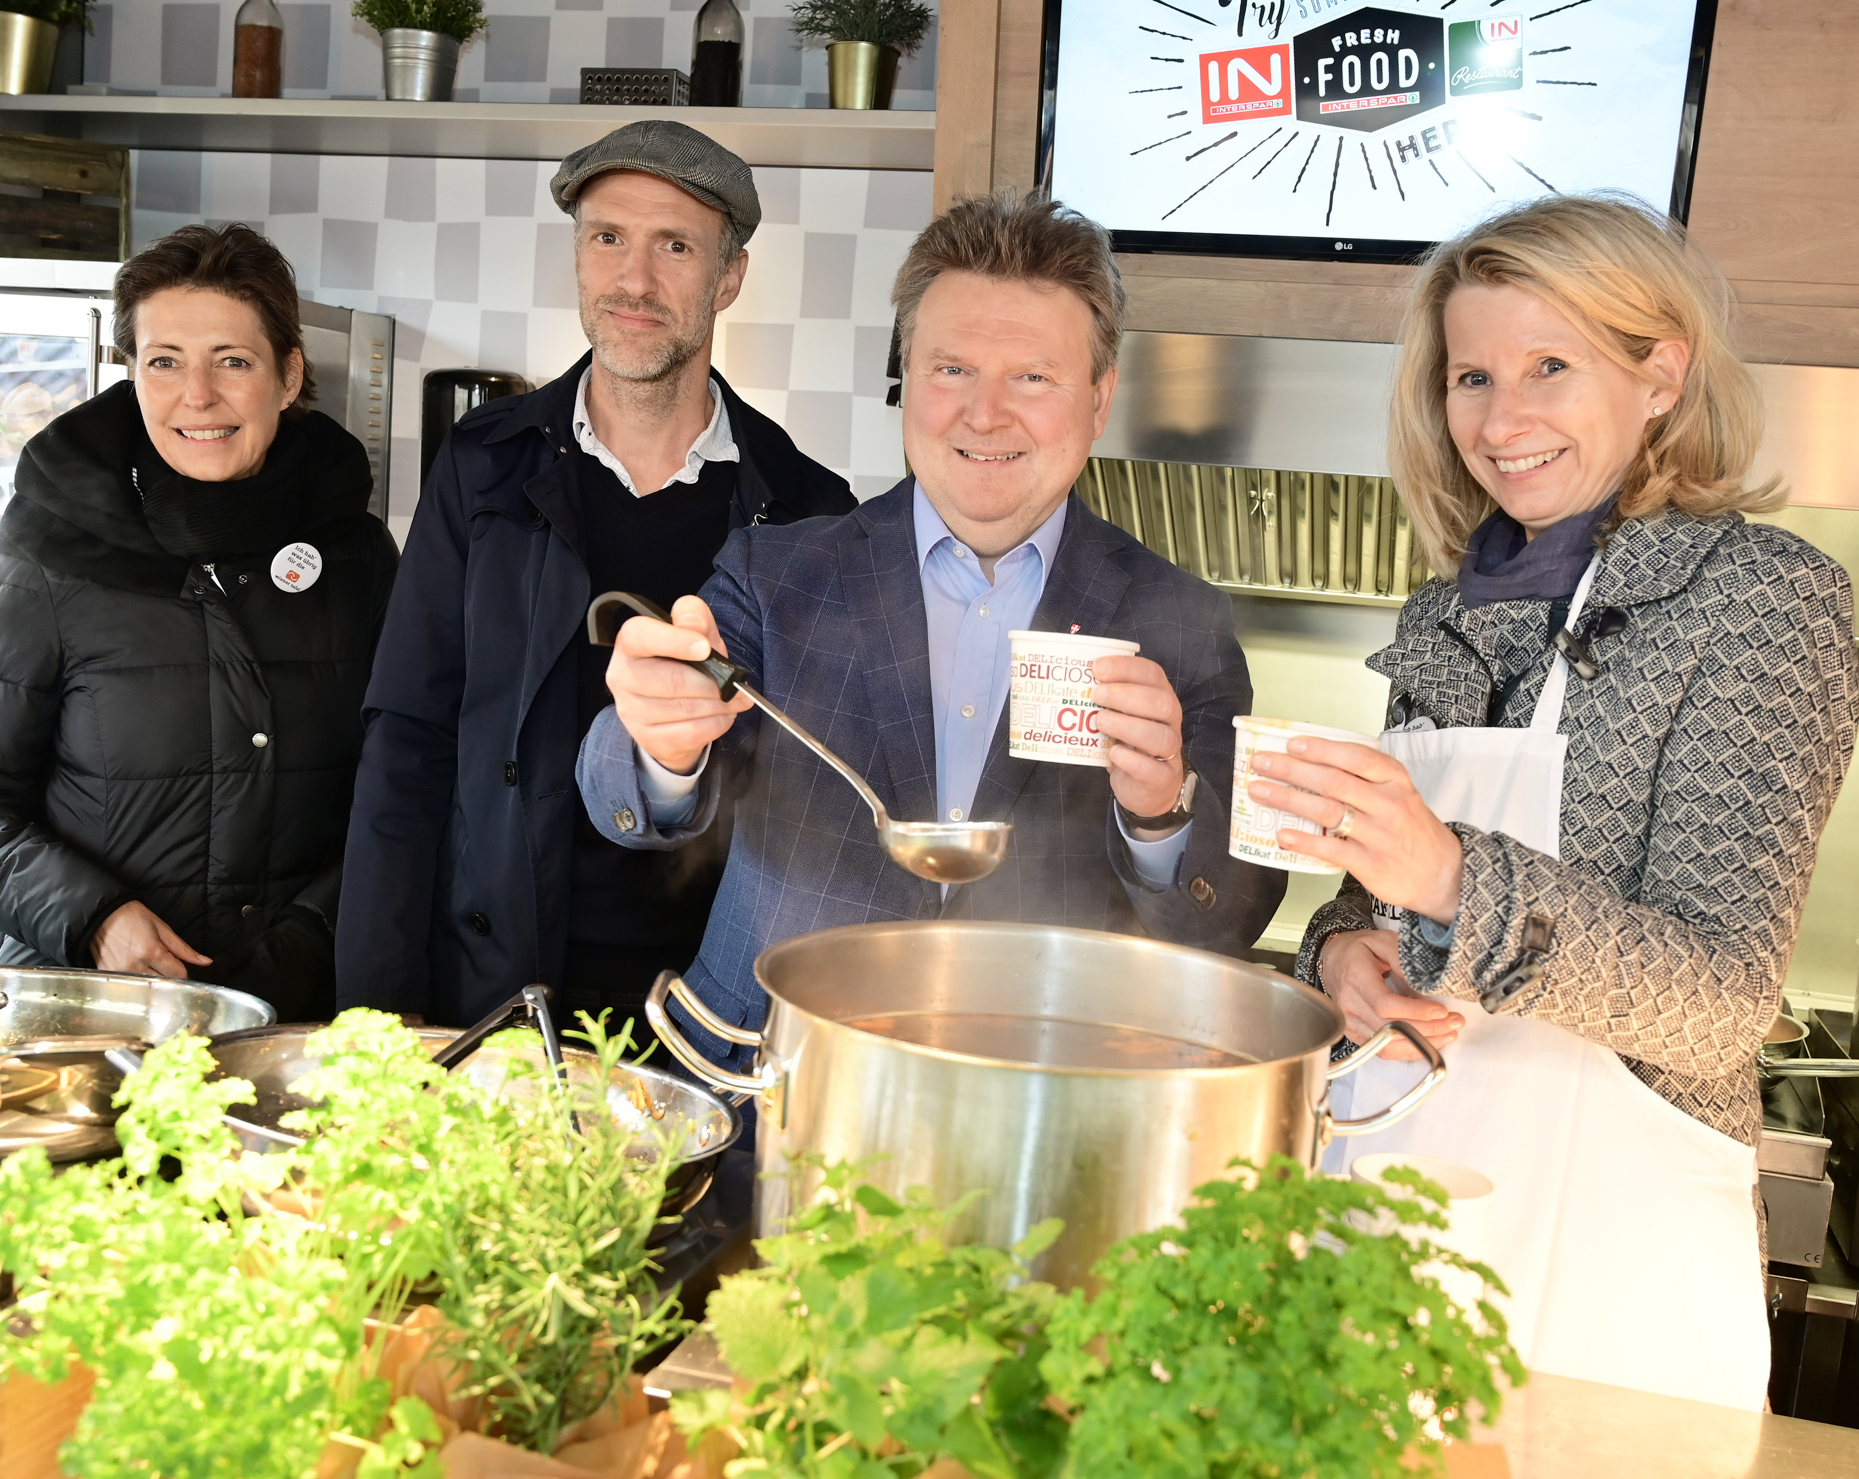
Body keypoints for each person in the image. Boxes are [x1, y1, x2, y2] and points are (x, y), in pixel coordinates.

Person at [1262, 196, 1856, 1410]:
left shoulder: (1757, 600)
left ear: (1658, 375)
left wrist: (1449, 881)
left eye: (1550, 366)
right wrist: (1341, 956)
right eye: (1470, 374)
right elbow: (1371, 902)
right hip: (1397, 1194)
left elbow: (1721, 1005)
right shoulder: (1441, 607)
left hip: (1609, 1247)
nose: (1501, 417)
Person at [582, 191, 1285, 1069]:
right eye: (951, 369)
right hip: (769, 1082)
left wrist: (1160, 812)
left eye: (1032, 377)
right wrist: (659, 741)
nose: (984, 414)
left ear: (1099, 399)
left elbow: (1239, 904)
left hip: (1037, 1111)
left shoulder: (1180, 620)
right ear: (906, 378)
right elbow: (623, 793)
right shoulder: (777, 575)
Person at [336, 121, 853, 1034]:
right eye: (608, 238)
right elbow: (407, 743)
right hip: (494, 994)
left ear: (728, 277)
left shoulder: (808, 509)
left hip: (717, 1012)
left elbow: (822, 799)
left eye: (676, 246)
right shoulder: (482, 471)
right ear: (578, 257)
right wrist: (376, 1023)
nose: (635, 280)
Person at [0, 224, 398, 1022]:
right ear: (131, 373)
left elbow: (406, 777)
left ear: (289, 376)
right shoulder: (50, 544)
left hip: (297, 1018)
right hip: (87, 1011)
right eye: (164, 361)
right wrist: (93, 918)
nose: (197, 396)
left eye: (233, 362)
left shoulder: (356, 552)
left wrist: (318, 928)